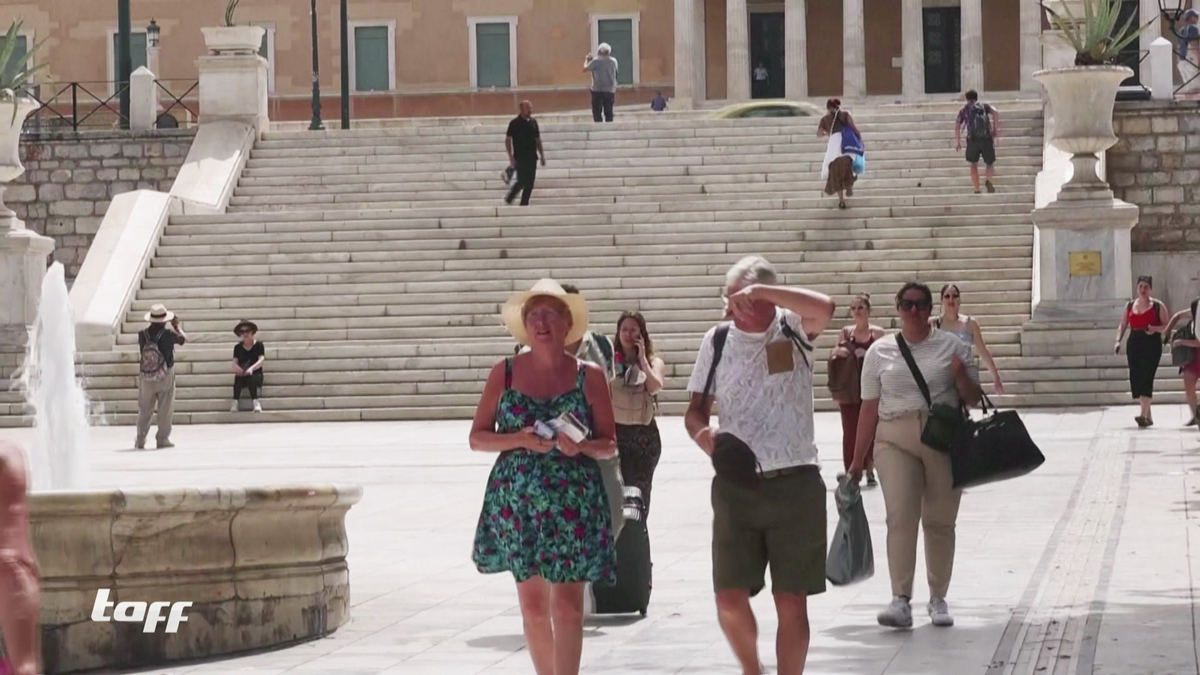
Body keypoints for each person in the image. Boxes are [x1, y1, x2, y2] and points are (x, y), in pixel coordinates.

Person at [684, 256, 836, 675]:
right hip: (737, 485)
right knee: (728, 599)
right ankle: (752, 669)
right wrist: (706, 438)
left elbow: (825, 307)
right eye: (732, 299)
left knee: (791, 601)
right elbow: (694, 411)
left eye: (748, 298)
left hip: (796, 481)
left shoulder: (791, 327)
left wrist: (765, 292)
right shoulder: (716, 340)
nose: (740, 307)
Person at [470, 278, 618, 675]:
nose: (541, 321)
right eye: (533, 314)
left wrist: (582, 447)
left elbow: (609, 443)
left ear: (567, 323)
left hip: (573, 502)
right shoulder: (503, 373)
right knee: (534, 609)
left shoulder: (589, 376)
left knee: (568, 607)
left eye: (550, 313)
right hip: (518, 502)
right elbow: (477, 438)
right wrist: (518, 438)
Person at [848, 282, 983, 630]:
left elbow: (971, 398)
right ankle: (900, 599)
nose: (913, 311)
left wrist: (959, 375)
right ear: (897, 309)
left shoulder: (953, 346)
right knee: (900, 517)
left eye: (921, 304)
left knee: (939, 521)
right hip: (894, 438)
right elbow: (869, 408)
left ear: (931, 308)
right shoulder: (880, 352)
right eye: (906, 305)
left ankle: (938, 597)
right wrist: (857, 460)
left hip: (941, 438)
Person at [611, 311, 666, 516]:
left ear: (642, 333)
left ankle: (638, 537)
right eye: (624, 329)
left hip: (644, 438)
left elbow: (654, 387)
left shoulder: (654, 361)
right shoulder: (608, 362)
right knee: (617, 494)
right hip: (616, 435)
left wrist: (642, 359)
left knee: (640, 494)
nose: (628, 334)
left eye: (633, 329)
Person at [832, 293, 884, 485]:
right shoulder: (846, 333)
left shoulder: (877, 333)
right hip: (850, 388)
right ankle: (851, 470)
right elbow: (837, 359)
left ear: (868, 311)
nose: (857, 312)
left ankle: (870, 469)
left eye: (860, 308)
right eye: (854, 309)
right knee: (849, 429)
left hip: (870, 387)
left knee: (871, 428)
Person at [0, 440, 41, 675]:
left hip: (11, 572)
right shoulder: (12, 454)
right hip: (18, 572)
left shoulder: (7, 456)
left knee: (23, 666)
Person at [1115, 276, 1170, 428]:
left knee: (1147, 376)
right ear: (1137, 288)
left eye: (1146, 287)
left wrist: (1155, 329)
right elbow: (1123, 324)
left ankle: (1142, 415)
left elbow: (1167, 326)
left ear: (1150, 289)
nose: (1143, 290)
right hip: (1134, 343)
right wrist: (1118, 341)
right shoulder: (1130, 305)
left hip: (1151, 344)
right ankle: (1149, 416)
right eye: (1141, 287)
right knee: (1137, 378)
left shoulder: (1158, 306)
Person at [933, 284, 1005, 395]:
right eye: (947, 296)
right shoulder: (934, 324)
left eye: (955, 296)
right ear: (941, 300)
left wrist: (995, 376)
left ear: (959, 299)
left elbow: (982, 350)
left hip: (964, 380)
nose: (951, 299)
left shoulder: (970, 324)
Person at [136, 303, 187, 450]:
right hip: (165, 374)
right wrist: (176, 326)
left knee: (145, 408)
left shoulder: (142, 334)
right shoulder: (169, 335)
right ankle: (162, 438)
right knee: (165, 407)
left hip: (146, 375)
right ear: (165, 320)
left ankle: (140, 438)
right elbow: (184, 339)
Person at [817, 98, 861, 210]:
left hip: (833, 146)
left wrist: (828, 133)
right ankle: (849, 185)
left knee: (835, 172)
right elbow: (854, 128)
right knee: (848, 166)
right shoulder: (845, 115)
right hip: (845, 144)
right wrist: (859, 138)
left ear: (827, 107)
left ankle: (841, 200)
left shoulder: (825, 119)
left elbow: (819, 133)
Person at [955, 90, 1000, 194]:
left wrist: (958, 141)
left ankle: (976, 188)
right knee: (989, 163)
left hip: (972, 140)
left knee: (973, 164)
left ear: (967, 98)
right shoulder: (984, 106)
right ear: (976, 97)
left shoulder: (964, 110)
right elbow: (996, 112)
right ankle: (988, 180)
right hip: (986, 138)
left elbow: (957, 127)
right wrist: (994, 129)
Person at [1164, 298, 1200, 426]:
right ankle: (1196, 415)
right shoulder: (1196, 307)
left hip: (1195, 347)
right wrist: (1167, 330)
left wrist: (1181, 342)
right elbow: (1177, 316)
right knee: (1188, 384)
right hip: (1195, 354)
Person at [505, 101, 546, 206]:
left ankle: (524, 203)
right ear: (521, 108)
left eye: (531, 107)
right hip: (520, 157)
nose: (530, 110)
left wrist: (542, 155)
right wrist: (510, 156)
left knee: (530, 183)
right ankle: (509, 199)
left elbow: (537, 139)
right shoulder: (514, 123)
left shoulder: (533, 122)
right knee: (521, 181)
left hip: (532, 157)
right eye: (528, 107)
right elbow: (508, 139)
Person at [230, 320, 265, 413]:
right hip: (243, 374)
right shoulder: (237, 347)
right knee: (237, 379)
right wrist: (238, 369)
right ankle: (235, 402)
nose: (245, 334)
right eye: (242, 332)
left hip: (256, 374)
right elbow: (234, 362)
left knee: (251, 378)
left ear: (252, 332)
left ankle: (256, 402)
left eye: (247, 331)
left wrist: (251, 368)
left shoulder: (258, 345)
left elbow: (261, 360)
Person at [584, 43, 619, 123]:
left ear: (599, 51)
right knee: (609, 110)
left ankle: (598, 125)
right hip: (610, 89)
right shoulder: (613, 61)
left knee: (597, 111)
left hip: (597, 89)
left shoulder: (596, 61)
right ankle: (609, 125)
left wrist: (587, 60)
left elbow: (585, 69)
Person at [1178, 9, 1200, 96]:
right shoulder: (1193, 28)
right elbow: (1193, 45)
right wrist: (1199, 58)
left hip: (1182, 61)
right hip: (1190, 59)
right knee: (1195, 88)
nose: (1197, 19)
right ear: (1191, 18)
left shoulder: (1181, 30)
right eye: (1196, 17)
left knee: (1189, 88)